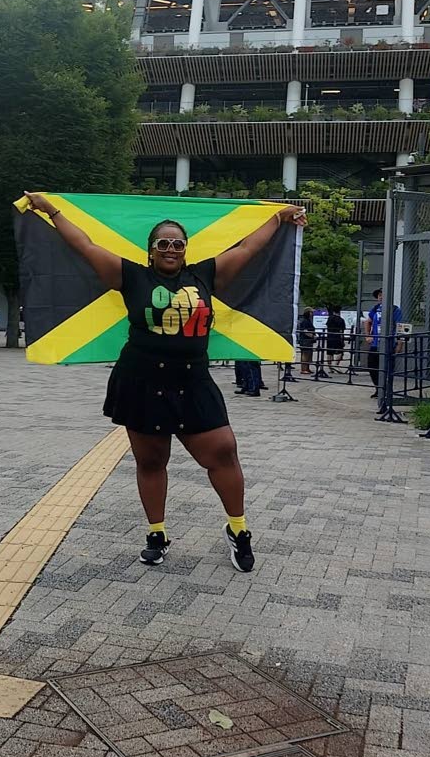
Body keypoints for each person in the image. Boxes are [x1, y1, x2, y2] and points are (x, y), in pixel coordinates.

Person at [24, 192, 307, 572]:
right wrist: (51, 209)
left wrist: (279, 216)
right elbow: (84, 244)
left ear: (186, 249)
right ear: (152, 250)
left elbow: (248, 247)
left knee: (222, 450)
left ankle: (238, 530)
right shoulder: (130, 275)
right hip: (141, 378)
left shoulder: (206, 274)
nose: (171, 248)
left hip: (193, 380)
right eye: (164, 243)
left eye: (178, 243)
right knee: (152, 460)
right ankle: (157, 533)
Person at [365, 287, 402, 397]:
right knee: (372, 366)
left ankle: (387, 389)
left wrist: (400, 344)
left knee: (388, 367)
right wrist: (368, 336)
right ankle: (378, 388)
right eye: (379, 295)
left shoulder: (395, 309)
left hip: (389, 343)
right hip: (376, 343)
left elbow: (401, 327)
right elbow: (368, 321)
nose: (380, 297)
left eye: (383, 295)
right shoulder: (375, 309)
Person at [326, 305, 346, 372]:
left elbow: (327, 327)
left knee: (329, 352)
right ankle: (336, 365)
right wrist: (342, 340)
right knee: (340, 351)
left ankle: (330, 367)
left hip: (329, 336)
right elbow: (341, 331)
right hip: (337, 337)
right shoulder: (341, 320)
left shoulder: (329, 318)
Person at [297, 308, 316, 375]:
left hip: (308, 340)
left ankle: (307, 368)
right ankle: (303, 369)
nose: (312, 314)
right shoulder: (305, 321)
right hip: (305, 340)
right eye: (311, 312)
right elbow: (305, 331)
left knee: (308, 354)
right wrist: (313, 336)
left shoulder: (308, 320)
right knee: (305, 354)